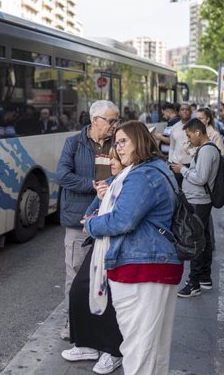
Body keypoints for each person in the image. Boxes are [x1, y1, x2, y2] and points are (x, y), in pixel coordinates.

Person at [84, 121, 181, 375]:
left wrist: (92, 224)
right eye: (116, 143)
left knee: (138, 350)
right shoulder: (157, 168)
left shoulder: (142, 175)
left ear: (141, 140)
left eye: (124, 141)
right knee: (154, 348)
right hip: (156, 264)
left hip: (141, 268)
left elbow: (122, 220)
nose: (119, 148)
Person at [55, 100, 120, 341]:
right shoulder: (73, 143)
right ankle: (71, 323)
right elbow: (62, 175)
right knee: (75, 275)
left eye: (116, 121)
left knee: (106, 275)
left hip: (111, 219)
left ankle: (99, 325)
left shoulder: (118, 143)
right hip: (79, 220)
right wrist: (91, 187)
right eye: (111, 121)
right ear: (95, 120)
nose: (114, 126)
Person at [62, 148, 125, 374]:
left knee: (111, 302)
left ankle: (113, 351)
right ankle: (87, 344)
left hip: (119, 250)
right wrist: (100, 201)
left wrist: (96, 217)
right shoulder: (109, 181)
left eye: (117, 158)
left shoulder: (132, 181)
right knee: (79, 291)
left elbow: (119, 220)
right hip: (100, 246)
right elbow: (88, 215)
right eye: (111, 157)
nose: (112, 162)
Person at [170, 118, 220, 298]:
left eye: (190, 135)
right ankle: (204, 277)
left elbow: (200, 178)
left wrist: (182, 170)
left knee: (195, 241)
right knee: (203, 238)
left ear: (198, 132)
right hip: (199, 200)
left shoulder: (206, 151)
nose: (189, 138)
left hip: (199, 201)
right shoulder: (204, 149)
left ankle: (193, 283)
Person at [168, 103, 193, 186]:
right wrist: (170, 161)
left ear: (191, 112)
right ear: (178, 112)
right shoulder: (174, 127)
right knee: (177, 189)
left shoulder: (196, 126)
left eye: (187, 109)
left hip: (191, 164)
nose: (185, 111)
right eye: (182, 109)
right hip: (176, 164)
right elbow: (172, 146)